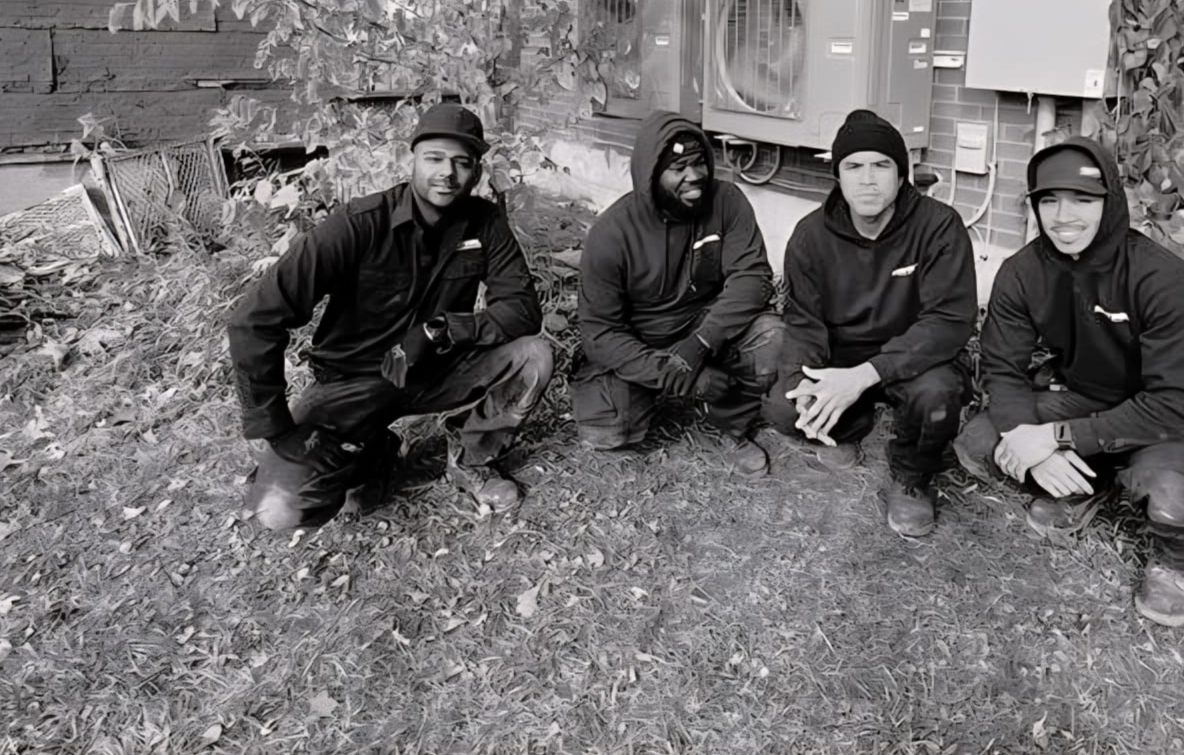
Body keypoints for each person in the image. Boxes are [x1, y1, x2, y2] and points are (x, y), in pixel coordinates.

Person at [229, 102, 554, 530]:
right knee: (280, 510)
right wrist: (276, 429)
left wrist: (442, 330)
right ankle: (372, 453)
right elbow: (253, 319)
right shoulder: (358, 223)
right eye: (434, 159)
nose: (448, 173)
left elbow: (521, 310)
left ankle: (470, 461)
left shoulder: (485, 223)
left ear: (476, 172)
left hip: (438, 368)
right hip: (351, 383)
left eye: (462, 163)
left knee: (534, 355)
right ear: (411, 160)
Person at [952, 138, 1184, 626]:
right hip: (1083, 399)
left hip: (1166, 421)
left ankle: (1182, 561)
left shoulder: (1162, 279)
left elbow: (1175, 404)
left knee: (1167, 494)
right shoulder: (1023, 272)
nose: (1063, 216)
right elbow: (1002, 368)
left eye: (1083, 199)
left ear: (1110, 202)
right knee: (979, 443)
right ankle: (1088, 484)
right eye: (1048, 200)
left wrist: (1057, 438)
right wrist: (1026, 438)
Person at [763, 109, 978, 537]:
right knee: (784, 407)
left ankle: (913, 477)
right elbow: (805, 323)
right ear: (838, 177)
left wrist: (866, 375)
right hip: (843, 353)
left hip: (917, 355)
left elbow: (948, 321)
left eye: (881, 165)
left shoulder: (938, 227)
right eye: (853, 166)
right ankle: (849, 423)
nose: (867, 179)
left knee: (938, 398)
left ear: (901, 175)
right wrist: (803, 384)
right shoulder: (810, 236)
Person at [573, 111, 782, 475]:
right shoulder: (611, 234)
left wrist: (701, 343)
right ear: (651, 175)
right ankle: (661, 394)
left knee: (774, 340)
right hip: (641, 339)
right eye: (678, 168)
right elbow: (600, 334)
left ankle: (722, 425)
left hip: (703, 325)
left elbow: (752, 278)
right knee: (606, 430)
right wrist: (675, 373)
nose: (695, 176)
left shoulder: (727, 202)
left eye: (699, 162)